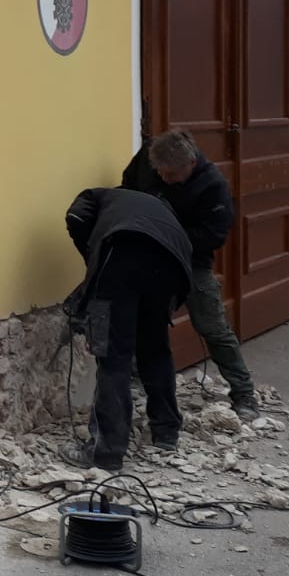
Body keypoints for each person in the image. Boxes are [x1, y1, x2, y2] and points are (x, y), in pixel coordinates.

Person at [121, 128, 259, 421]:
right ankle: (136, 381)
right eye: (159, 171)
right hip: (150, 254)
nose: (163, 178)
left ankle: (243, 392)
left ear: (191, 164)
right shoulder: (148, 158)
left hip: (191, 260)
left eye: (171, 174)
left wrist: (169, 234)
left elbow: (214, 235)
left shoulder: (213, 186)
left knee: (212, 326)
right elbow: (128, 188)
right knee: (139, 317)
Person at [62, 186, 194, 472]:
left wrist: (93, 259)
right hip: (171, 264)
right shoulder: (155, 206)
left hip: (122, 254)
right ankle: (166, 432)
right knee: (155, 348)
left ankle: (106, 451)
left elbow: (76, 218)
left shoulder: (92, 197)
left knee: (113, 356)